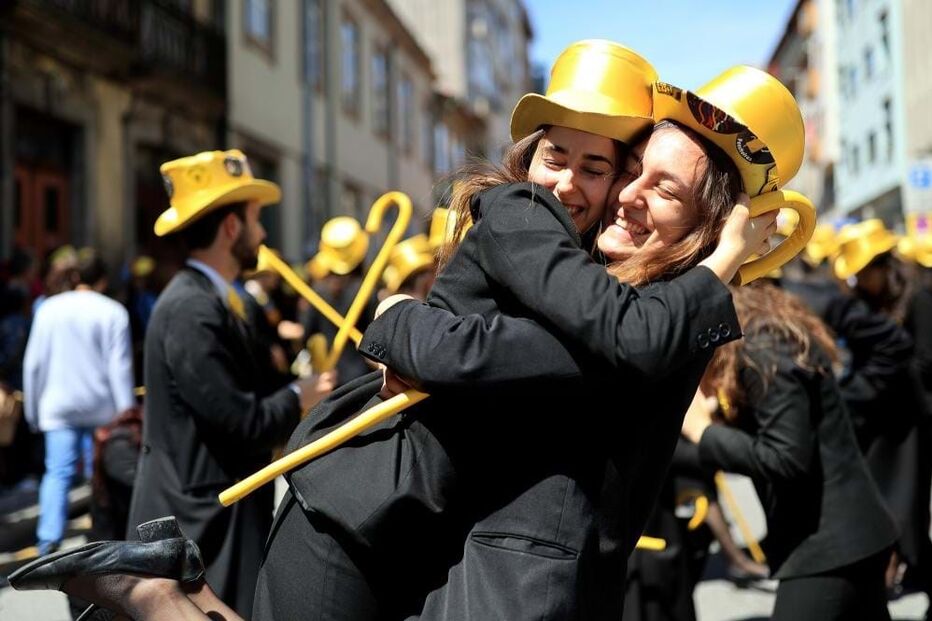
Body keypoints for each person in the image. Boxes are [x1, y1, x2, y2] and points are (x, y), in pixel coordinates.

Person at [7, 47, 797, 621]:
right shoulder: (531, 220)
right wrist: (402, 329)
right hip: (362, 504)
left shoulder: (650, 305)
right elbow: (517, 350)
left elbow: (513, 353)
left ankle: (161, 587)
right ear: (529, 156)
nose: (591, 187)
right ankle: (155, 589)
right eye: (563, 156)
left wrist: (403, 327)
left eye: (606, 167)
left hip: (422, 527)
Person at [124, 149, 336, 616]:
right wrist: (297, 395)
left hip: (217, 518)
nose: (263, 233)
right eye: (257, 219)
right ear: (232, 227)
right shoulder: (191, 308)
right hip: (200, 526)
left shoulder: (217, 299)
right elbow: (238, 419)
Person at [681, 282, 900, 620]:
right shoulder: (757, 335)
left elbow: (786, 457)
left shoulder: (761, 344)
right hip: (842, 540)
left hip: (831, 545)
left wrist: (703, 431)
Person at [23, 249, 136, 556]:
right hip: (102, 406)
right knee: (100, 473)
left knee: (56, 471)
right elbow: (120, 367)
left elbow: (33, 364)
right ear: (102, 279)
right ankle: (98, 528)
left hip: (57, 405)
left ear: (74, 277)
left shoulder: (48, 308)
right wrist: (127, 413)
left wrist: (32, 409)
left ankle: (48, 538)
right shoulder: (112, 311)